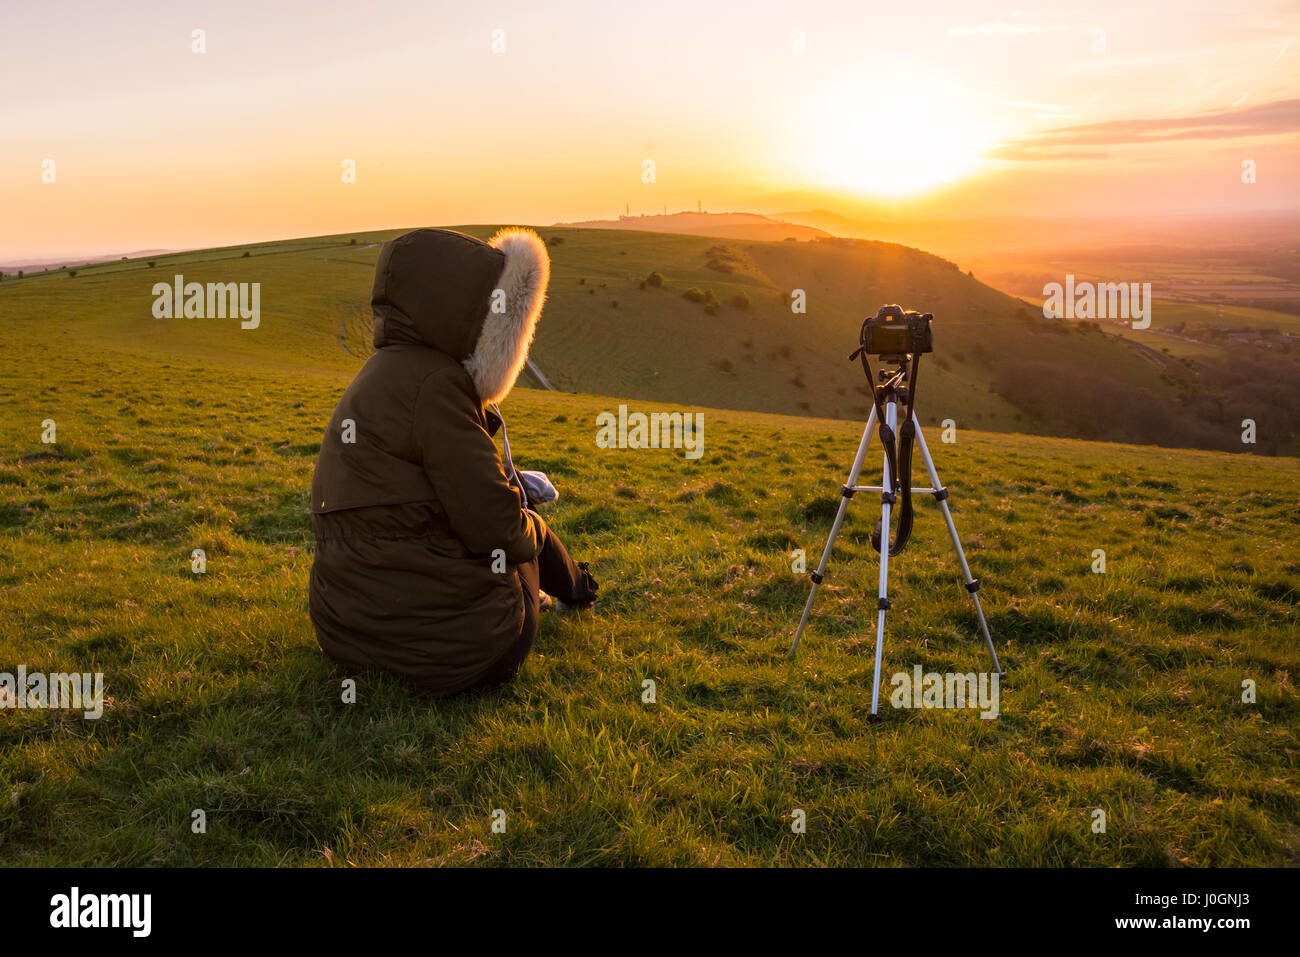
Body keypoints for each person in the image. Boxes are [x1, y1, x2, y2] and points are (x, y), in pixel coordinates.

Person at [308, 227, 598, 694]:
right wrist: (523, 513)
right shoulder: (440, 387)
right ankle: (581, 592)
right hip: (459, 653)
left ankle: (559, 590)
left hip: (345, 634)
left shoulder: (378, 374)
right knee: (527, 528)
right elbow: (496, 527)